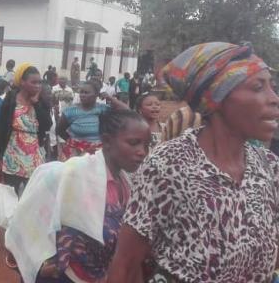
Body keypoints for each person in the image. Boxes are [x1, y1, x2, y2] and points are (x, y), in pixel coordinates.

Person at [108, 42, 279, 283]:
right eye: (258, 87)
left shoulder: (268, 167)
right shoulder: (170, 165)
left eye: (272, 87)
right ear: (216, 98)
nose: (274, 98)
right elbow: (125, 266)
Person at [7, 109, 149, 283]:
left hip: (95, 275)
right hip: (60, 276)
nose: (142, 152)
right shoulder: (74, 173)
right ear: (107, 141)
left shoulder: (127, 184)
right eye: (134, 143)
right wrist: (36, 259)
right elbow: (27, 212)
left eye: (146, 145)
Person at [0, 64, 53, 195]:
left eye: (39, 82)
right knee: (10, 195)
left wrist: (36, 103)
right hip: (12, 153)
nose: (38, 86)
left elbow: (47, 125)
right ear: (22, 82)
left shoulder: (42, 101)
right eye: (33, 82)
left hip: (34, 155)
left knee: (30, 196)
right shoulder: (11, 98)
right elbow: (2, 128)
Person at [56, 80, 128, 161]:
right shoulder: (70, 111)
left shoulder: (102, 109)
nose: (82, 95)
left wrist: (110, 98)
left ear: (96, 95)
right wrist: (74, 142)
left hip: (97, 155)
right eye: (81, 92)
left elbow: (126, 111)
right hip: (76, 154)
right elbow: (59, 130)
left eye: (86, 93)